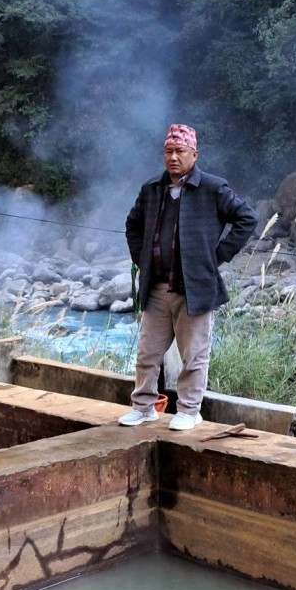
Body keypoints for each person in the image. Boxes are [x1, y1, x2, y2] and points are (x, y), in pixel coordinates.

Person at [119, 123, 256, 432]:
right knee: (147, 353)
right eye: (168, 151)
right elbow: (132, 225)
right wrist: (142, 259)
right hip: (156, 287)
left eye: (180, 151)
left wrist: (217, 256)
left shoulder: (212, 188)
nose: (173, 157)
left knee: (193, 355)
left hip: (194, 287)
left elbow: (247, 218)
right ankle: (143, 408)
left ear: (194, 154)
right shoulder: (152, 189)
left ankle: (190, 410)